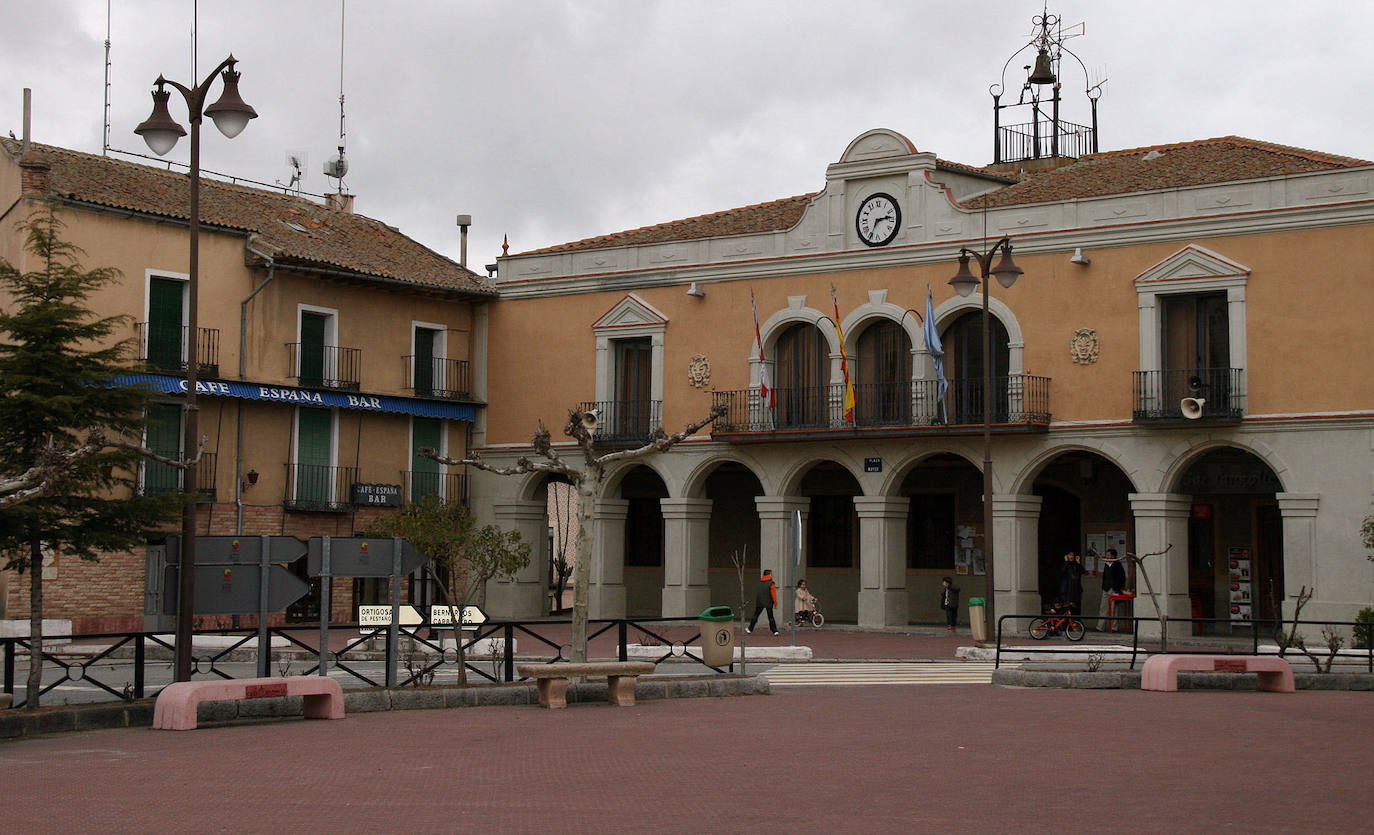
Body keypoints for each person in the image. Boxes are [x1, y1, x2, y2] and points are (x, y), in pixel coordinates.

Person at [1097, 549, 1128, 630]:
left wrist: (1117, 588)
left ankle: (1114, 627)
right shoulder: (1106, 564)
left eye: (1109, 555)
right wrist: (1103, 586)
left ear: (1113, 556)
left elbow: (1121, 578)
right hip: (1106, 588)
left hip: (1114, 589)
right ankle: (1100, 626)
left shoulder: (1118, 565)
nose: (1107, 556)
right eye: (1106, 555)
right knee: (1103, 608)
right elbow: (1105, 577)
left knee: (1113, 609)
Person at [746, 568, 779, 635]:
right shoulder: (771, 583)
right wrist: (775, 603)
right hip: (769, 602)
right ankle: (774, 630)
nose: (772, 575)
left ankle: (750, 629)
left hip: (760, 602)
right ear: (769, 574)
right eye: (771, 574)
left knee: (756, 615)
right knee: (770, 617)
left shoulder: (760, 582)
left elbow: (759, 593)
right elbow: (773, 594)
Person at [1058, 551, 1084, 615]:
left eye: (1073, 555)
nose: (1072, 557)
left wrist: (1078, 562)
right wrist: (1066, 562)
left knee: (1075, 608)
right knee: (1067, 608)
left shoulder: (1076, 564)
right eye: (1070, 555)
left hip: (1075, 590)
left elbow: (1082, 571)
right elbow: (1062, 570)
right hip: (1067, 590)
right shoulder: (1065, 564)